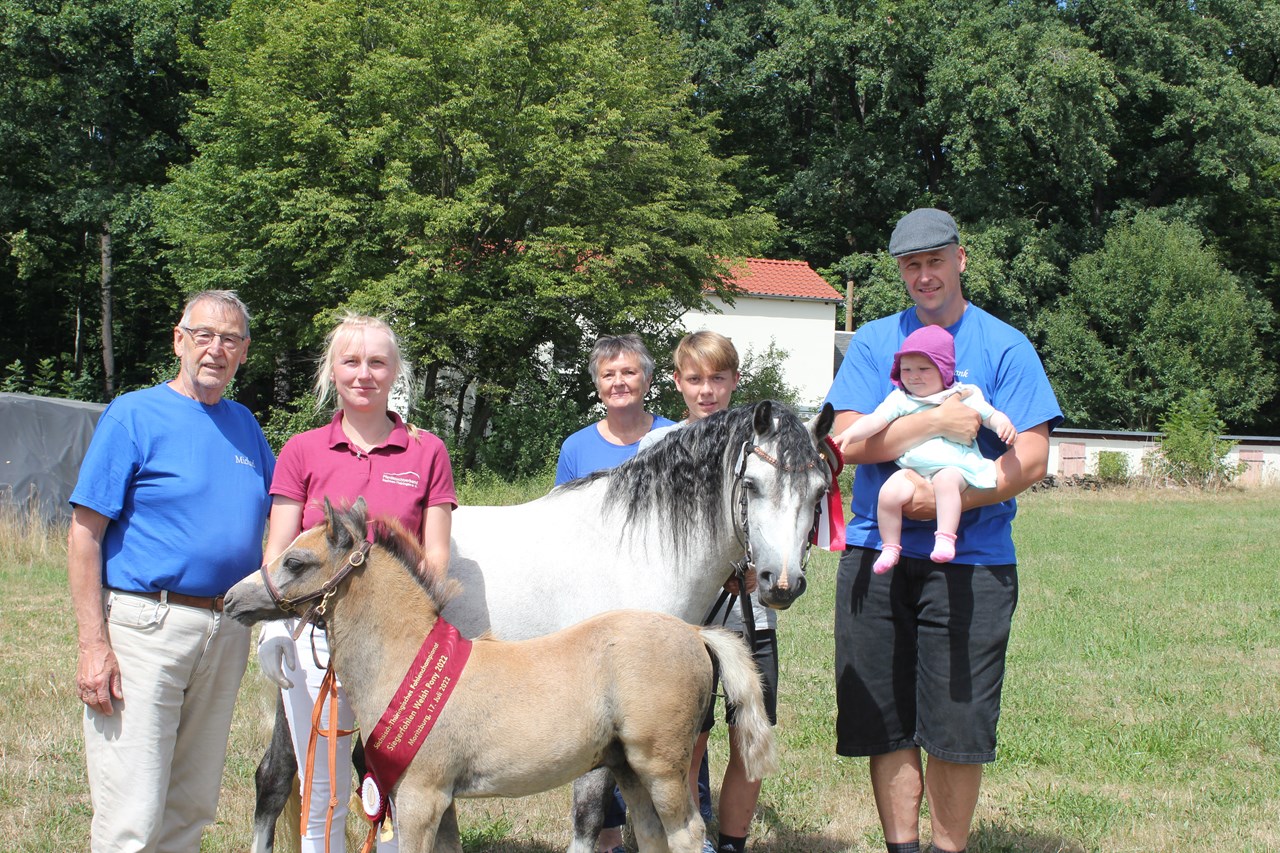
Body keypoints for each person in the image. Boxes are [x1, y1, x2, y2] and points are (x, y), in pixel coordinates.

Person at [825, 208, 1061, 853]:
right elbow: (847, 442)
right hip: (876, 551)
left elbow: (1032, 457)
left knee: (959, 722)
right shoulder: (875, 342)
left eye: (935, 261)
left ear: (961, 258)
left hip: (974, 559)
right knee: (884, 716)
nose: (924, 275)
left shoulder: (1005, 345)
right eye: (912, 265)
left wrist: (951, 499)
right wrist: (934, 423)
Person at [68, 289, 274, 852]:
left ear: (244, 352)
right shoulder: (134, 415)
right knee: (131, 810)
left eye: (230, 339)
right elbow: (84, 535)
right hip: (146, 628)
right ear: (178, 341)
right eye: (203, 336)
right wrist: (93, 645)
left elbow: (284, 514)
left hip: (226, 630)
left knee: (191, 805)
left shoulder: (245, 426)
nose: (216, 349)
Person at [255, 314, 457, 853]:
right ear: (332, 371)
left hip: (399, 652)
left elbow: (435, 556)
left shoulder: (428, 451)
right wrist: (274, 626)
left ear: (395, 372)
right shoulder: (302, 450)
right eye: (351, 361)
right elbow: (279, 552)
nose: (364, 374)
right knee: (322, 791)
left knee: (394, 787)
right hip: (316, 643)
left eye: (377, 362)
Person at [638, 330, 775, 853]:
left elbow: (778, 517)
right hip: (683, 620)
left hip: (749, 615)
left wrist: (756, 567)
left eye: (718, 378)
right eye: (695, 379)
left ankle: (734, 842)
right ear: (677, 382)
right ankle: (687, 838)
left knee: (749, 736)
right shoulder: (657, 447)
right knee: (685, 738)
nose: (707, 390)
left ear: (736, 380)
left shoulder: (761, 447)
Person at [554, 332, 674, 853]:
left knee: (666, 720)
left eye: (629, 372)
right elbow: (559, 523)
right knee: (597, 722)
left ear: (647, 379)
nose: (619, 382)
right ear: (597, 384)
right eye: (609, 374)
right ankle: (603, 834)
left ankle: (673, 826)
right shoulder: (576, 448)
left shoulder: (672, 438)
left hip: (660, 603)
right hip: (592, 606)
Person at [830, 324, 1017, 573]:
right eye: (906, 369)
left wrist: (1002, 424)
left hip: (955, 466)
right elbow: (875, 421)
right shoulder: (901, 398)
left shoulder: (963, 394)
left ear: (944, 370)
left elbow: (989, 415)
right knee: (888, 493)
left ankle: (945, 538)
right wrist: (849, 434)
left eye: (923, 369)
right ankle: (890, 547)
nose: (913, 376)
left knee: (946, 482)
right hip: (914, 470)